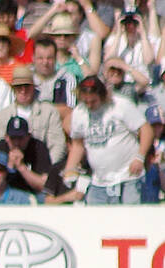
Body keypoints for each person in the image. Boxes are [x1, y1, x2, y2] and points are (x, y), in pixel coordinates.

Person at [64, 75, 151, 205]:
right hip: (98, 182)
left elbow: (146, 130)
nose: (89, 105)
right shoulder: (79, 112)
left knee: (130, 222)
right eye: (85, 101)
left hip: (128, 178)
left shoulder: (120, 105)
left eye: (93, 101)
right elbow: (77, 144)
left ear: (103, 95)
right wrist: (70, 168)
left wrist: (140, 157)